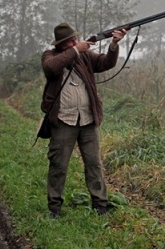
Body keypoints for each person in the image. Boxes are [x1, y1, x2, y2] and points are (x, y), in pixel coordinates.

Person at [41, 22, 126, 218]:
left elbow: (106, 63)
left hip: (88, 119)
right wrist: (75, 51)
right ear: (61, 44)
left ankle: (100, 206)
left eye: (75, 39)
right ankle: (54, 208)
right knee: (58, 165)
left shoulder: (85, 56)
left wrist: (114, 44)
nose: (75, 41)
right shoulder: (50, 56)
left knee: (94, 164)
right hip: (63, 120)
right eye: (70, 41)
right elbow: (51, 68)